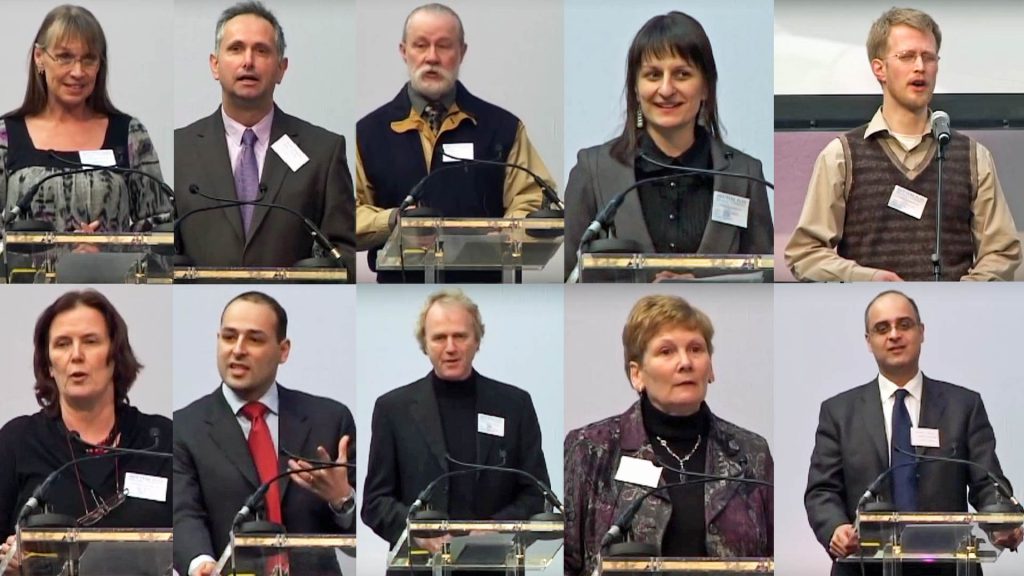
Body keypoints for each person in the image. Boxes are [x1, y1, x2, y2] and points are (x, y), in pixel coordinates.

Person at [785, 7, 1021, 281]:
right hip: (871, 305)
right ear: (879, 69)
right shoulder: (842, 156)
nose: (920, 66)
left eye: (928, 57)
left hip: (953, 307)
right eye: (907, 56)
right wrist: (866, 279)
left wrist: (962, 294)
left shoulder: (972, 156)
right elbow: (805, 254)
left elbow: (1002, 252)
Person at [804, 290, 1023, 576]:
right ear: (869, 341)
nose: (894, 335)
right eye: (882, 328)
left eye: (904, 325)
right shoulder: (839, 412)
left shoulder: (963, 406)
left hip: (948, 567)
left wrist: (1002, 520)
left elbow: (988, 483)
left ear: (921, 332)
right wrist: (835, 528)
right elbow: (822, 490)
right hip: (863, 567)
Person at [564, 295, 773, 576]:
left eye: (696, 349)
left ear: (710, 368)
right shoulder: (591, 449)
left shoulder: (750, 453)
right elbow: (566, 562)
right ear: (637, 375)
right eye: (666, 351)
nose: (685, 362)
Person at [563, 11, 773, 280]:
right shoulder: (594, 171)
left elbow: (764, 280)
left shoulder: (744, 175)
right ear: (635, 88)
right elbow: (567, 278)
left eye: (682, 74)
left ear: (706, 87)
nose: (666, 89)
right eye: (653, 75)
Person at [355, 3, 556, 283]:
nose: (432, 57)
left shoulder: (502, 127)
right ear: (404, 51)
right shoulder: (369, 132)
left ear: (462, 52)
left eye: (444, 46)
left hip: (483, 286)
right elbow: (345, 214)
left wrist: (508, 231)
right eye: (421, 45)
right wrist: (393, 221)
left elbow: (534, 200)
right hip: (399, 290)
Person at [172, 291, 356, 576]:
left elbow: (361, 533)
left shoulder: (329, 420)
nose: (238, 350)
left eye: (254, 339)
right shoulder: (185, 427)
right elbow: (184, 513)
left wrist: (341, 499)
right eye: (229, 337)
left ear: (283, 350)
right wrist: (200, 563)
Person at [362, 289, 551, 559]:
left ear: (477, 340)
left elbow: (536, 494)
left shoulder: (514, 405)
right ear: (425, 344)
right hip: (419, 566)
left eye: (460, 336)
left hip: (495, 562)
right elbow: (375, 502)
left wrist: (495, 529)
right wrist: (418, 531)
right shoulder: (393, 409)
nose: (450, 347)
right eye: (439, 338)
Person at [174, 1, 356, 272]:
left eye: (261, 50)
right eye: (236, 49)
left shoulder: (323, 152)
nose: (248, 61)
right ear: (215, 65)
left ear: (281, 68)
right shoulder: (179, 149)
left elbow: (345, 254)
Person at [0, 290, 171, 574]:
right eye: (62, 344)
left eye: (90, 341)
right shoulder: (17, 442)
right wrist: (7, 561)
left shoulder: (161, 440)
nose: (76, 355)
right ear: (49, 364)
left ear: (115, 355)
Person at [0, 5, 172, 233]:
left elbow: (160, 226)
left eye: (89, 59)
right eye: (65, 57)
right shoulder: (6, 136)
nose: (78, 72)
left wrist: (107, 247)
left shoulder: (130, 134)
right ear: (39, 57)